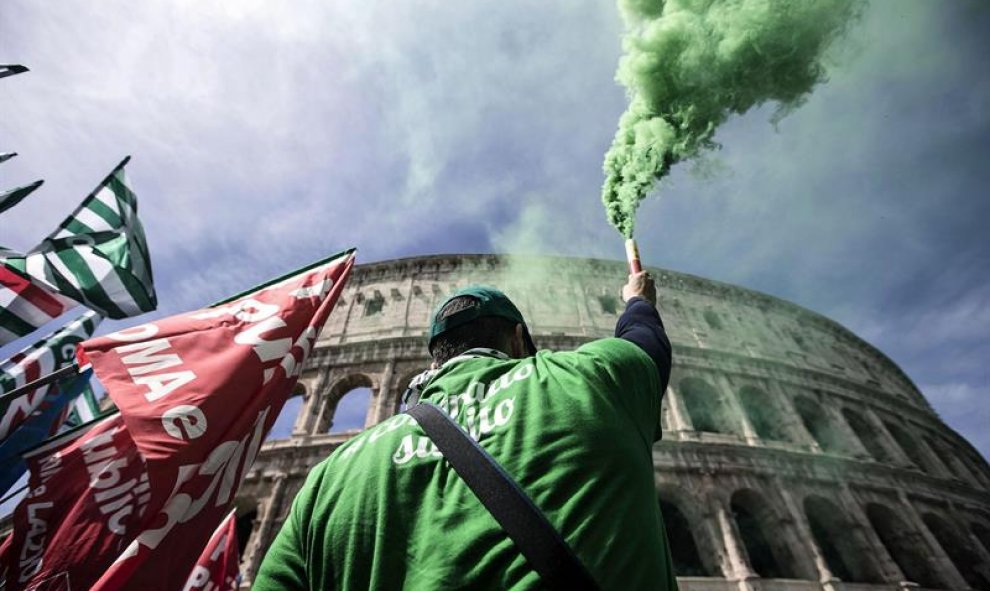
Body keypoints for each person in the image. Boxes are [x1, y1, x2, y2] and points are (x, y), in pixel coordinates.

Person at [254, 271, 676, 590]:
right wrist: (637, 301)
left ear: (434, 360)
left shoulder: (329, 477)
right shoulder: (589, 378)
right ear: (517, 340)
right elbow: (644, 342)